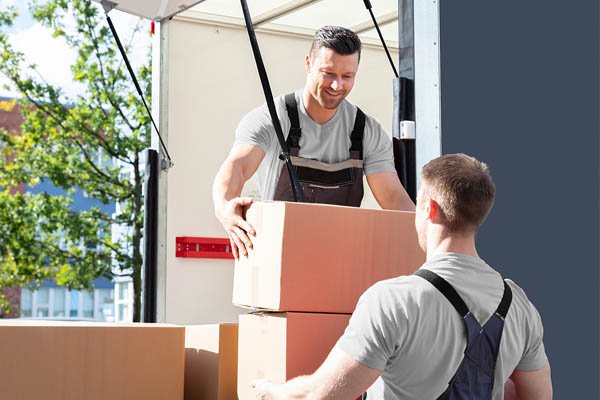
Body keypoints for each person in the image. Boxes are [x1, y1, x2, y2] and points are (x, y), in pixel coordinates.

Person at [251, 153, 553, 400]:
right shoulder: (519, 306)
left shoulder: (393, 301)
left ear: (429, 208)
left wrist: (270, 392)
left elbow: (321, 395)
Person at [212, 25, 414, 259]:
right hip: (278, 257)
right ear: (308, 63)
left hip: (341, 259)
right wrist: (224, 206)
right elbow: (238, 166)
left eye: (347, 76)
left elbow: (393, 198)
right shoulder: (272, 119)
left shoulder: (368, 131)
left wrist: (429, 238)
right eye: (328, 73)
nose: (337, 86)